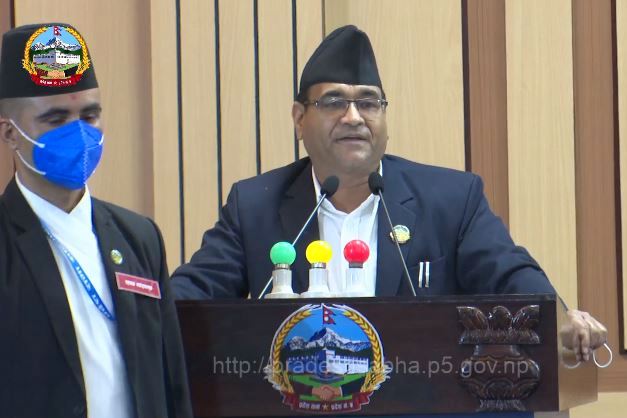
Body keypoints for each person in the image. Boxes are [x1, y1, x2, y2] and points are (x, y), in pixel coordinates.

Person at [171, 25, 607, 363]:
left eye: (368, 102)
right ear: (299, 118)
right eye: (334, 102)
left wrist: (560, 318)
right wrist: (141, 312)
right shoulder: (255, 205)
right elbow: (195, 290)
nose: (354, 117)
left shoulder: (451, 200)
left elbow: (510, 275)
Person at [0, 24, 192, 418]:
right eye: (56, 119)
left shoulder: (138, 236)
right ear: (10, 133)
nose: (79, 132)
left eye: (90, 115)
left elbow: (171, 380)